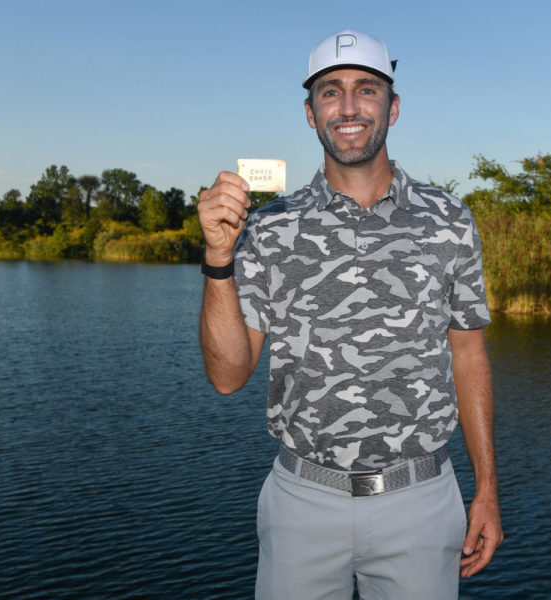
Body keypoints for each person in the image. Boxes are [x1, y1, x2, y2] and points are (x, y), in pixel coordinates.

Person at [198, 28, 502, 600]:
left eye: (366, 89)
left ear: (393, 106)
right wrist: (219, 260)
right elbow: (227, 377)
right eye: (330, 92)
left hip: (421, 498)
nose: (349, 107)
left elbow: (468, 355)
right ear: (311, 114)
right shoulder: (268, 226)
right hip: (302, 504)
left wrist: (486, 488)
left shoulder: (449, 220)